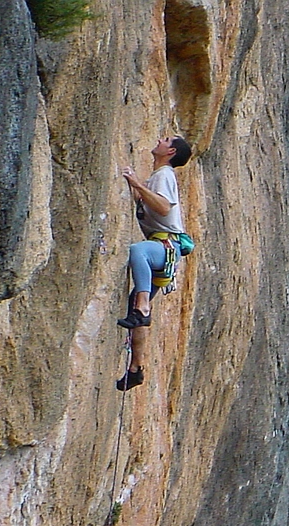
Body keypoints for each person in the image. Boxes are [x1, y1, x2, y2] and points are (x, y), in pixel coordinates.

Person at [116, 135, 192, 391]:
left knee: (138, 252)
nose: (160, 139)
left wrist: (136, 183)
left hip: (164, 246)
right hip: (165, 250)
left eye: (166, 139)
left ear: (170, 151)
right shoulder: (159, 175)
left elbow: (162, 207)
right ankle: (136, 368)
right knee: (134, 310)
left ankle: (143, 304)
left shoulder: (164, 174)